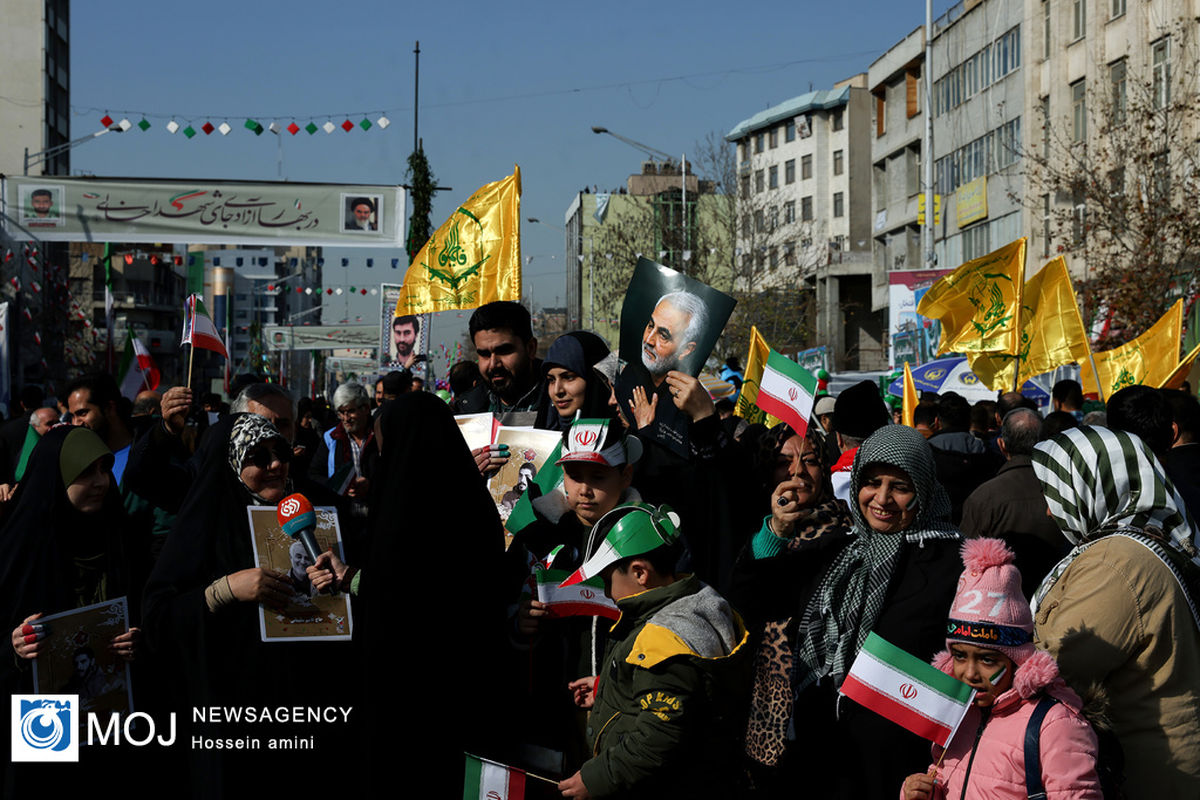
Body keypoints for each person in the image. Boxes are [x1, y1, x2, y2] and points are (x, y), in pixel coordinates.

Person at [143, 415, 356, 793]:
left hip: (313, 700)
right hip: (237, 710)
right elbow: (159, 616)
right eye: (258, 457)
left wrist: (342, 579)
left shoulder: (319, 510)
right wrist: (224, 590)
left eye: (281, 453)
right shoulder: (208, 521)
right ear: (233, 464)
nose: (275, 465)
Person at [776, 425, 962, 798]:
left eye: (900, 487)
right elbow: (757, 597)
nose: (882, 498)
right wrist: (777, 531)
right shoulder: (838, 550)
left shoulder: (952, 565)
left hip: (902, 767)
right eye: (872, 482)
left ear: (922, 491)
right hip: (828, 754)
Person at [1031, 426, 1200, 799]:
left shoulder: (1115, 562)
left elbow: (1056, 664)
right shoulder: (1137, 539)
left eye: (1056, 492)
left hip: (1145, 773)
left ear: (1092, 485)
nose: (1048, 508)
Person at [558, 502, 749, 799]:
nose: (607, 593)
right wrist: (608, 687)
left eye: (608, 581)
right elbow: (676, 692)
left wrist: (597, 778)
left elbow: (660, 735)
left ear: (640, 573)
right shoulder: (697, 597)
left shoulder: (662, 641)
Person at [901, 538, 1101, 800]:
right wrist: (924, 794)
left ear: (1017, 660)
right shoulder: (959, 716)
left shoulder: (1055, 724)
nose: (970, 674)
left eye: (987, 660)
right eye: (960, 656)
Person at [0, 427, 143, 787]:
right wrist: (14, 647)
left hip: (111, 709)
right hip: (41, 715)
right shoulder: (17, 548)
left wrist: (138, 638)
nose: (99, 482)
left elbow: (146, 607)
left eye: (103, 470)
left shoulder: (120, 536)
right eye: (85, 472)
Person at [727, 422, 854, 781]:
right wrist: (777, 533)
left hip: (828, 700)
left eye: (810, 460)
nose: (797, 471)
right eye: (784, 462)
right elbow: (744, 602)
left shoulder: (848, 528)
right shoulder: (756, 527)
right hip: (770, 701)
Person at [960, 408, 1069, 597]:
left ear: (1001, 445)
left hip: (998, 602)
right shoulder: (1067, 491)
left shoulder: (984, 496)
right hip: (1059, 597)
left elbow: (964, 560)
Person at [310, 381, 376, 507]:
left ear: (366, 408)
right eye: (341, 412)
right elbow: (314, 474)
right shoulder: (331, 437)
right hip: (342, 513)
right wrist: (338, 485)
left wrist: (370, 485)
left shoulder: (379, 435)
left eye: (351, 411)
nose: (346, 418)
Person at [538, 330, 612, 431]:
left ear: (594, 379)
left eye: (568, 377)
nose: (557, 391)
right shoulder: (540, 434)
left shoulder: (623, 440)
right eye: (551, 380)